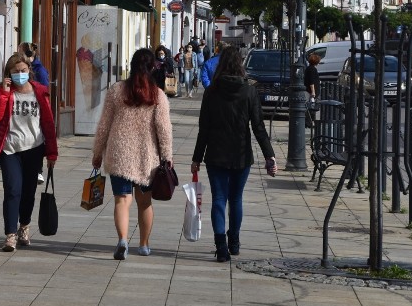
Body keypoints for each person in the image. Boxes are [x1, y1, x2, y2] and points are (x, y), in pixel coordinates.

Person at [190, 47, 277, 262]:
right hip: (240, 153)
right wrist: (270, 155)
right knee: (236, 198)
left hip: (216, 154)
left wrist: (196, 158)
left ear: (220, 65)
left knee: (219, 199)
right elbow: (258, 126)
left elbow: (204, 128)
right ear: (240, 65)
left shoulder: (211, 92)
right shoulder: (249, 91)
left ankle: (221, 247)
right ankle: (234, 242)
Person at [92, 48, 173, 260]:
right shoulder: (158, 95)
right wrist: (167, 156)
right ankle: (144, 245)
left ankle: (122, 240)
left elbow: (104, 125)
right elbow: (164, 129)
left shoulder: (116, 91)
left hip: (119, 154)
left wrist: (97, 152)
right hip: (147, 158)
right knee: (144, 202)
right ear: (152, 67)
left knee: (122, 200)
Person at [0, 52, 58, 252]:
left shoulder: (41, 92)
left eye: (23, 71)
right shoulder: (5, 92)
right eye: (15, 72)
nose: (20, 74)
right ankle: (10, 235)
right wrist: (3, 91)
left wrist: (52, 153)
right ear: (8, 74)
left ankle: (24, 227)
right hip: (9, 149)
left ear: (29, 70)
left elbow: (48, 124)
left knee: (28, 193)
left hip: (34, 149)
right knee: (12, 190)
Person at [19, 42, 49, 184]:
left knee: (37, 137)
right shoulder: (20, 69)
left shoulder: (40, 71)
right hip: (22, 111)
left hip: (35, 111)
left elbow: (44, 92)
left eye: (21, 53)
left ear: (29, 55)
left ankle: (38, 171)